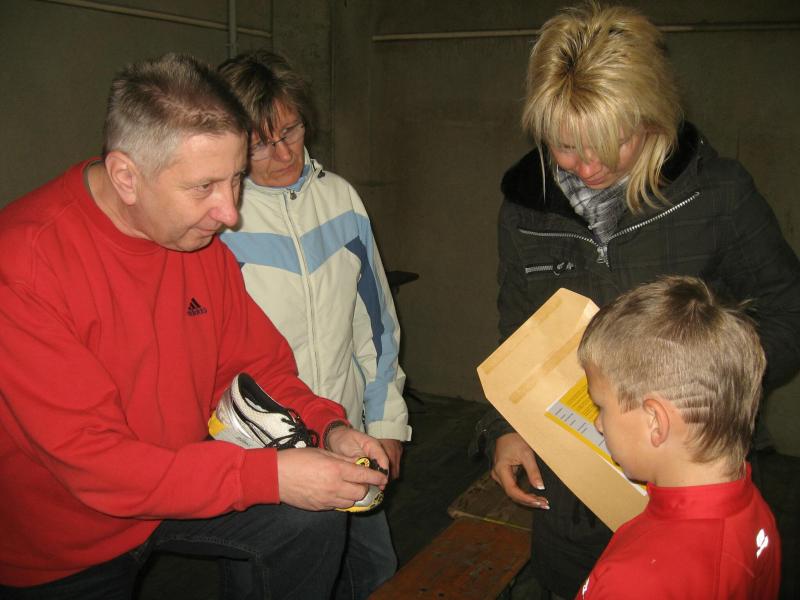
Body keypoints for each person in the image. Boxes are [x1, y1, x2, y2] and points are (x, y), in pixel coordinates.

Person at [0, 53, 390, 600]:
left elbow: (256, 366)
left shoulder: (198, 243)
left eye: (235, 180)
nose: (229, 213)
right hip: (66, 537)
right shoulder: (25, 264)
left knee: (312, 518)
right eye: (204, 186)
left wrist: (329, 428)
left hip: (178, 476)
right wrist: (272, 476)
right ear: (126, 176)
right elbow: (97, 466)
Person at [471, 2, 800, 598]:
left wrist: (706, 393)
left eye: (614, 142)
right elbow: (516, 331)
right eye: (566, 146)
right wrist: (505, 428)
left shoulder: (718, 194)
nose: (590, 166)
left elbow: (789, 311)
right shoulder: (524, 211)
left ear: (651, 117)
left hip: (694, 478)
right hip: (574, 485)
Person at [217, 50, 411, 599]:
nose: (283, 154)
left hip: (347, 435)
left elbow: (376, 325)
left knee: (375, 574)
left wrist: (387, 422)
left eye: (291, 131)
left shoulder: (341, 200)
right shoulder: (219, 221)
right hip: (262, 456)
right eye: (259, 143)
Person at [576, 275, 781, 599]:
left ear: (655, 422)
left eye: (601, 406)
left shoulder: (635, 582)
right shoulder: (750, 505)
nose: (599, 424)